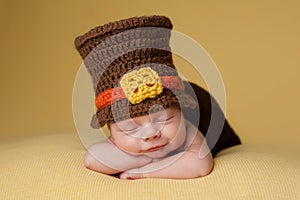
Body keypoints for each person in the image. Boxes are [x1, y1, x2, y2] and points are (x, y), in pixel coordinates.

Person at [74, 15, 241, 179]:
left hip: (211, 120)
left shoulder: (188, 126)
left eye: (165, 119)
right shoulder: (122, 137)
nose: (150, 133)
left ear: (181, 111)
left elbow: (200, 164)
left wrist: (143, 171)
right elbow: (92, 160)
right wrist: (150, 157)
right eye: (131, 128)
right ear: (111, 129)